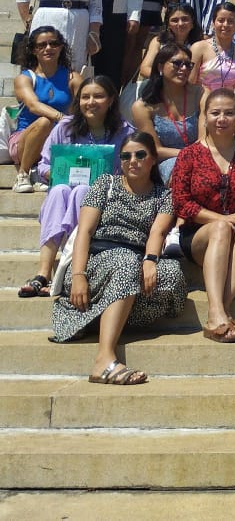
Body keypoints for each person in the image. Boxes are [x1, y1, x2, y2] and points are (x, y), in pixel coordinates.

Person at [49, 133, 186, 384]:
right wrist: (78, 275)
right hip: (95, 262)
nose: (132, 160)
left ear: (153, 160)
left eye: (140, 155)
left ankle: (98, 319)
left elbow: (157, 232)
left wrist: (150, 260)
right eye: (126, 156)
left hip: (134, 259)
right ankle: (104, 359)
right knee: (124, 262)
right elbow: (85, 233)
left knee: (172, 274)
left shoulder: (163, 196)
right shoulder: (105, 183)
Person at [170, 88, 235, 342]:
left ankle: (220, 309)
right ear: (205, 117)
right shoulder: (189, 155)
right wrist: (219, 219)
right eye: (215, 113)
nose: (221, 119)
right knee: (221, 229)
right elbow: (181, 204)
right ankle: (218, 311)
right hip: (201, 235)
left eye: (229, 113)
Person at [19, 77, 134, 298]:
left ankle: (69, 267)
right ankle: (43, 272)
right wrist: (58, 172)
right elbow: (43, 165)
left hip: (106, 197)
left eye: (98, 96)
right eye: (85, 97)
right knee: (59, 190)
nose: (91, 102)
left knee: (83, 191)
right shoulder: (65, 127)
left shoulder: (125, 132)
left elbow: (131, 172)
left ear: (111, 100)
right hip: (65, 191)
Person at [10, 28, 80, 194]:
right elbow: (33, 105)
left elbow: (84, 105)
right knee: (44, 122)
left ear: (61, 47)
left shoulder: (72, 77)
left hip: (57, 139)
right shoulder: (25, 78)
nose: (48, 48)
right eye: (41, 45)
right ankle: (23, 174)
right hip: (24, 141)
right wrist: (62, 118)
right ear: (34, 50)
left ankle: (40, 172)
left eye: (53, 43)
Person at [131, 42, 202, 183]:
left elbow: (204, 139)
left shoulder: (200, 94)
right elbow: (155, 150)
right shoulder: (143, 107)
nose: (183, 68)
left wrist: (197, 157)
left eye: (188, 65)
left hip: (201, 158)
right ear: (160, 66)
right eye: (177, 63)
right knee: (181, 171)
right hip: (167, 162)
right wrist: (187, 155)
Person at [190, 2, 235, 94]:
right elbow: (190, 83)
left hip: (232, 103)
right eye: (221, 20)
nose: (225, 25)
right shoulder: (199, 48)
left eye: (230, 21)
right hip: (202, 102)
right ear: (213, 23)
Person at [138, 3, 201, 80]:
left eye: (185, 19)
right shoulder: (159, 42)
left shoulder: (200, 44)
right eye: (175, 20)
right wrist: (169, 79)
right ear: (168, 25)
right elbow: (144, 69)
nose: (180, 24)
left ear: (192, 23)